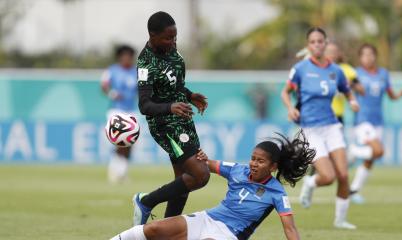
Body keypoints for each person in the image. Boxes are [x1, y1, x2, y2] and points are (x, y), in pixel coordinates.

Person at [110, 131, 315, 240]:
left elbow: (290, 229)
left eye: (260, 161)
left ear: (273, 167)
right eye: (253, 158)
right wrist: (198, 158)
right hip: (207, 218)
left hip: (228, 234)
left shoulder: (277, 193)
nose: (253, 163)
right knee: (153, 229)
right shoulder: (237, 170)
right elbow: (205, 165)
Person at [133, 11, 209, 224]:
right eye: (168, 38)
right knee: (200, 174)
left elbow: (174, 85)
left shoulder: (171, 49)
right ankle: (146, 201)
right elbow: (144, 105)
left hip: (183, 119)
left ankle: (166, 231)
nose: (173, 42)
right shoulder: (145, 64)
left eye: (175, 37)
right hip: (165, 125)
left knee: (182, 180)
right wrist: (170, 107)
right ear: (152, 35)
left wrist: (190, 95)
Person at [281, 27, 360, 229]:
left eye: (320, 41)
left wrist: (352, 101)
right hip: (311, 129)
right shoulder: (300, 69)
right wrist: (290, 108)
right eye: (313, 41)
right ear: (308, 45)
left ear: (325, 44)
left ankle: (340, 220)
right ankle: (310, 183)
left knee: (343, 175)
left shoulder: (336, 70)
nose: (317, 44)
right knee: (328, 177)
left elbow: (347, 90)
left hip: (332, 126)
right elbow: (285, 92)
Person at [349, 43, 402, 204]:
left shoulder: (383, 74)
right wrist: (354, 89)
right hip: (362, 120)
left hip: (377, 120)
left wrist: (398, 95)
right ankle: (354, 151)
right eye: (364, 55)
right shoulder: (356, 73)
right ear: (360, 58)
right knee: (379, 151)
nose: (368, 57)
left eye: (371, 54)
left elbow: (390, 94)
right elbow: (347, 90)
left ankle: (354, 190)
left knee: (371, 158)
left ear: (375, 56)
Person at [101, 44, 138, 183]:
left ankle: (122, 171)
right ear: (120, 57)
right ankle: (115, 170)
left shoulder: (136, 72)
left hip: (131, 110)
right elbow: (104, 85)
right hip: (116, 110)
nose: (128, 58)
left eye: (130, 56)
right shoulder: (112, 70)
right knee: (120, 140)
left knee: (130, 143)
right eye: (125, 56)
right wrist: (112, 93)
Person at [325, 42, 365, 125]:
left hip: (337, 115)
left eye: (334, 52)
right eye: (329, 52)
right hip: (319, 115)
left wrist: (349, 84)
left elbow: (362, 90)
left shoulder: (346, 70)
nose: (331, 55)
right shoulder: (318, 69)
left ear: (338, 54)